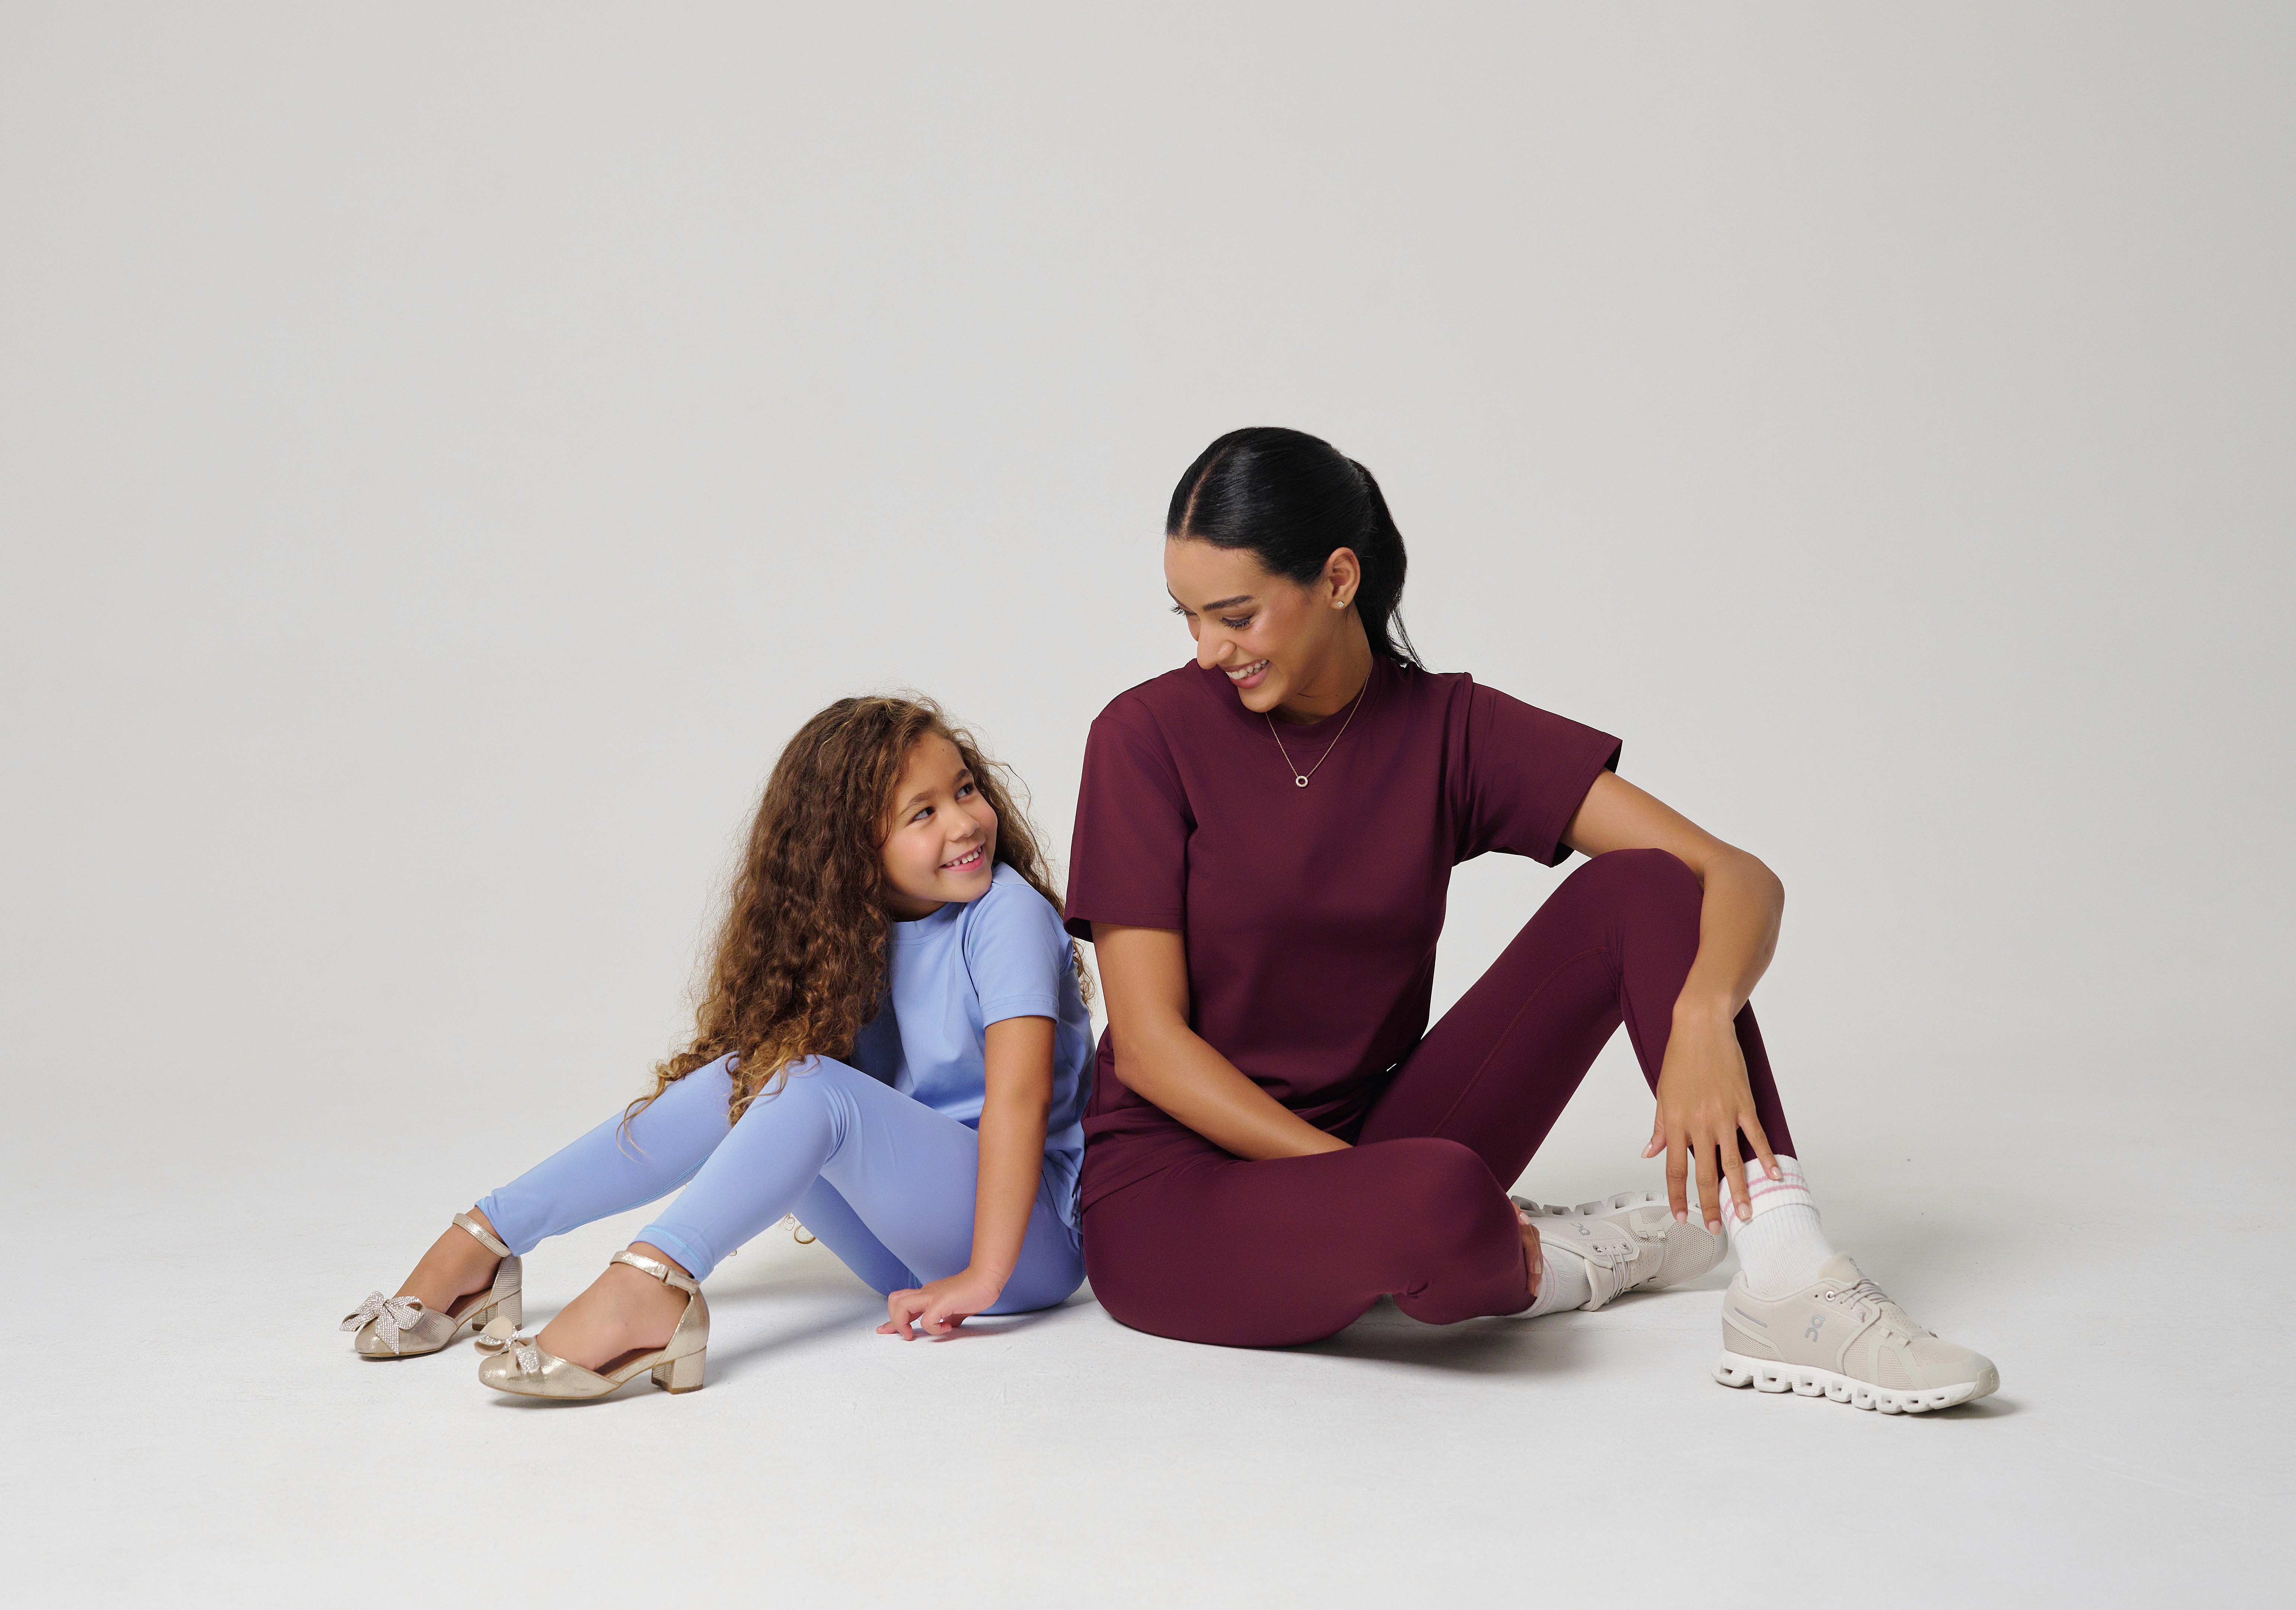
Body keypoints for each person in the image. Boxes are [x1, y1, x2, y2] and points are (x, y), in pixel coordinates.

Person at [1065, 427, 1999, 1414]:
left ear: (1337, 577)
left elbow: (1734, 874)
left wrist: (1699, 1017)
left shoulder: (1447, 730)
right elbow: (1156, 1048)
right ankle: (1550, 1256)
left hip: (1377, 1138)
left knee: (1644, 886)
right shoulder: (1144, 737)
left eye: (1235, 614)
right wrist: (1361, 1187)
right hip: (1172, 1195)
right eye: (1188, 616)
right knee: (1435, 1201)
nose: (1206, 649)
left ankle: (1789, 1277)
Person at [340, 696, 1095, 1401]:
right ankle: (488, 1238)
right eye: (921, 813)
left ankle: (651, 1288)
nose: (964, 823)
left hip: (1024, 1245)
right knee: (747, 1076)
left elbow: (1020, 1101)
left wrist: (983, 1277)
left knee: (809, 1087)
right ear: (849, 852)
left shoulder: (1006, 916)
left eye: (965, 790)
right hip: (905, 1253)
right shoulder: (853, 934)